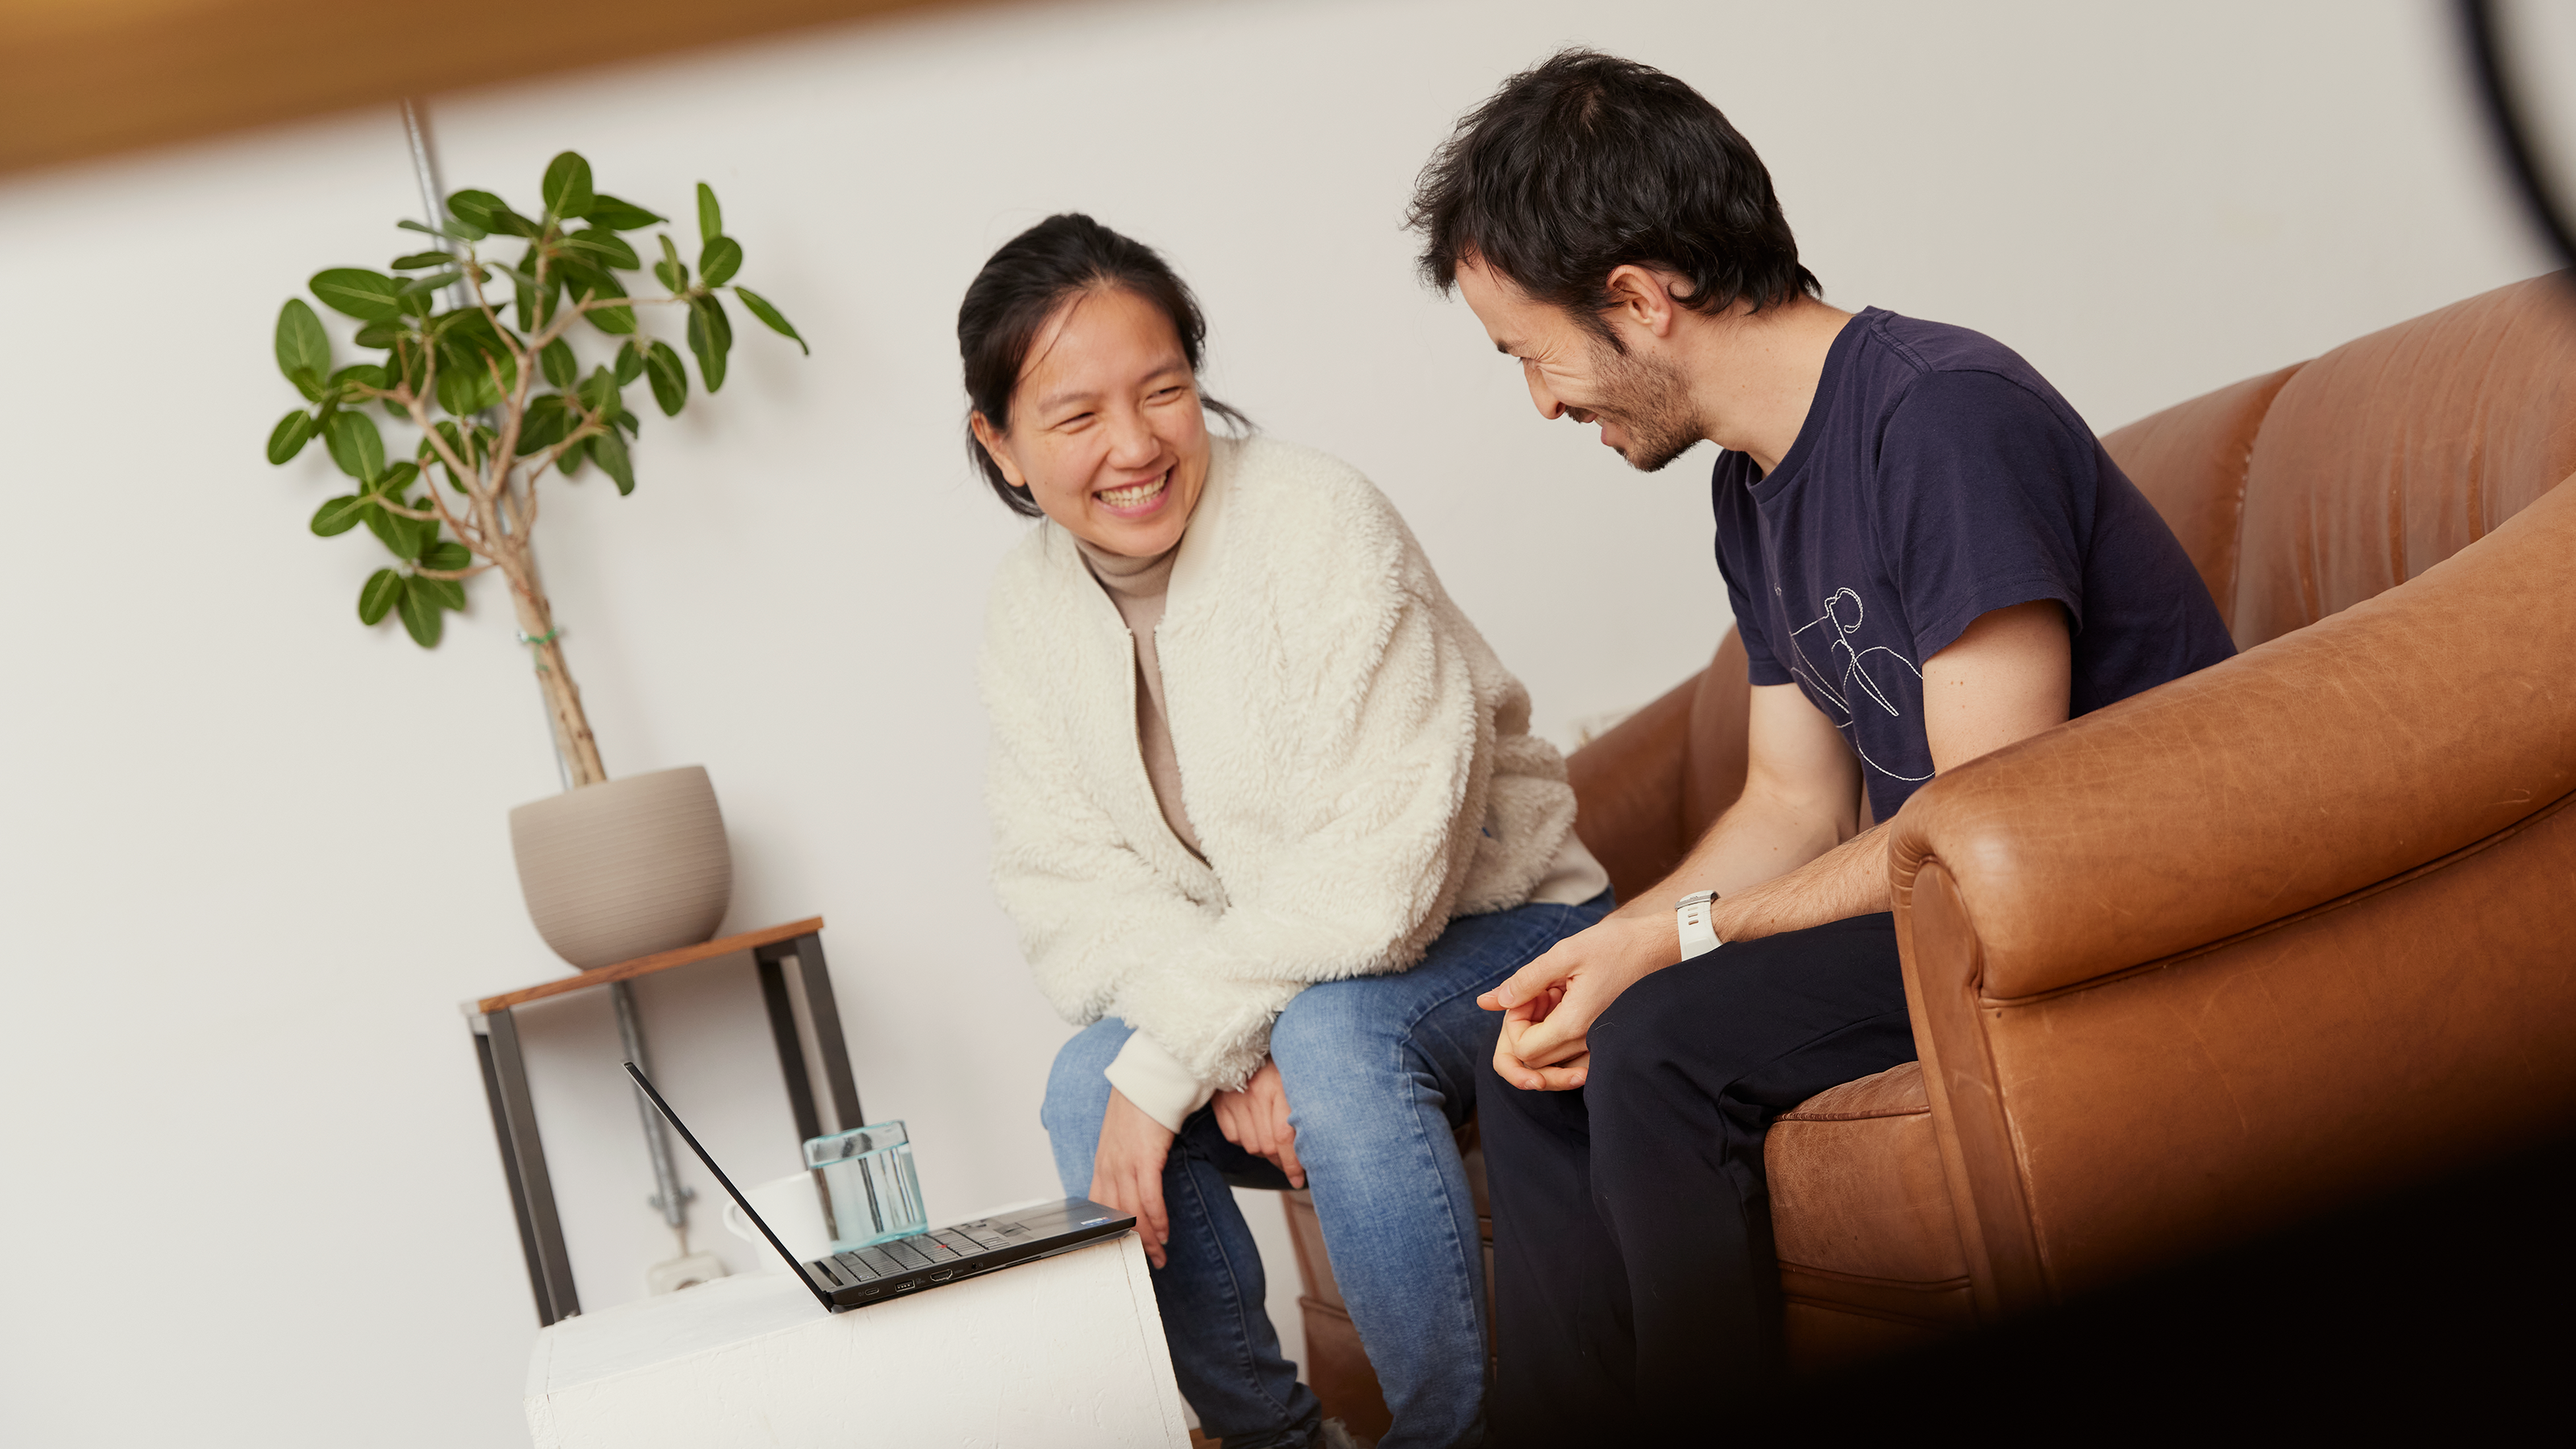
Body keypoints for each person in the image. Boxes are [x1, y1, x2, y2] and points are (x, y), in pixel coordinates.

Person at [1402, 51, 2238, 1439]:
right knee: (1573, 1050)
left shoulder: (1939, 414)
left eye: (1528, 354)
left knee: (1664, 1037)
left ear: (1640, 300)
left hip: (2085, 896)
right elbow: (1793, 798)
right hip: (1948, 893)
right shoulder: (1753, 485)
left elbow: (1986, 817)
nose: (1542, 403)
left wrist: (1679, 948)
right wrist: (1618, 944)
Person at [965, 213, 1612, 1449]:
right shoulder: (1025, 614)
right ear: (1001, 448)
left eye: (1165, 391)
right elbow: (1071, 895)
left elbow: (1390, 866)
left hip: (1502, 928)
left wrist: (1204, 1050)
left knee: (1330, 1036)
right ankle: (1272, 1438)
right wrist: (1224, 1048)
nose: (1136, 445)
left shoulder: (1317, 521)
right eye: (1075, 416)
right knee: (1078, 1085)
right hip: (1288, 989)